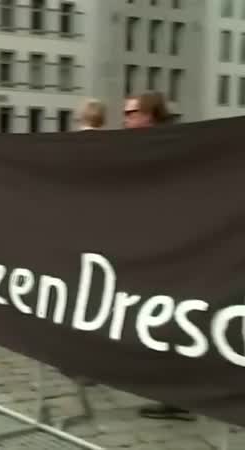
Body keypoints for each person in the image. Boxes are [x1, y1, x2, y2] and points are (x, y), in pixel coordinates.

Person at [124, 93, 191, 421]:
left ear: (149, 114)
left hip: (174, 250)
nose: (126, 118)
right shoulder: (148, 145)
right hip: (153, 246)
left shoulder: (170, 144)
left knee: (169, 319)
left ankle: (177, 397)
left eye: (132, 112)